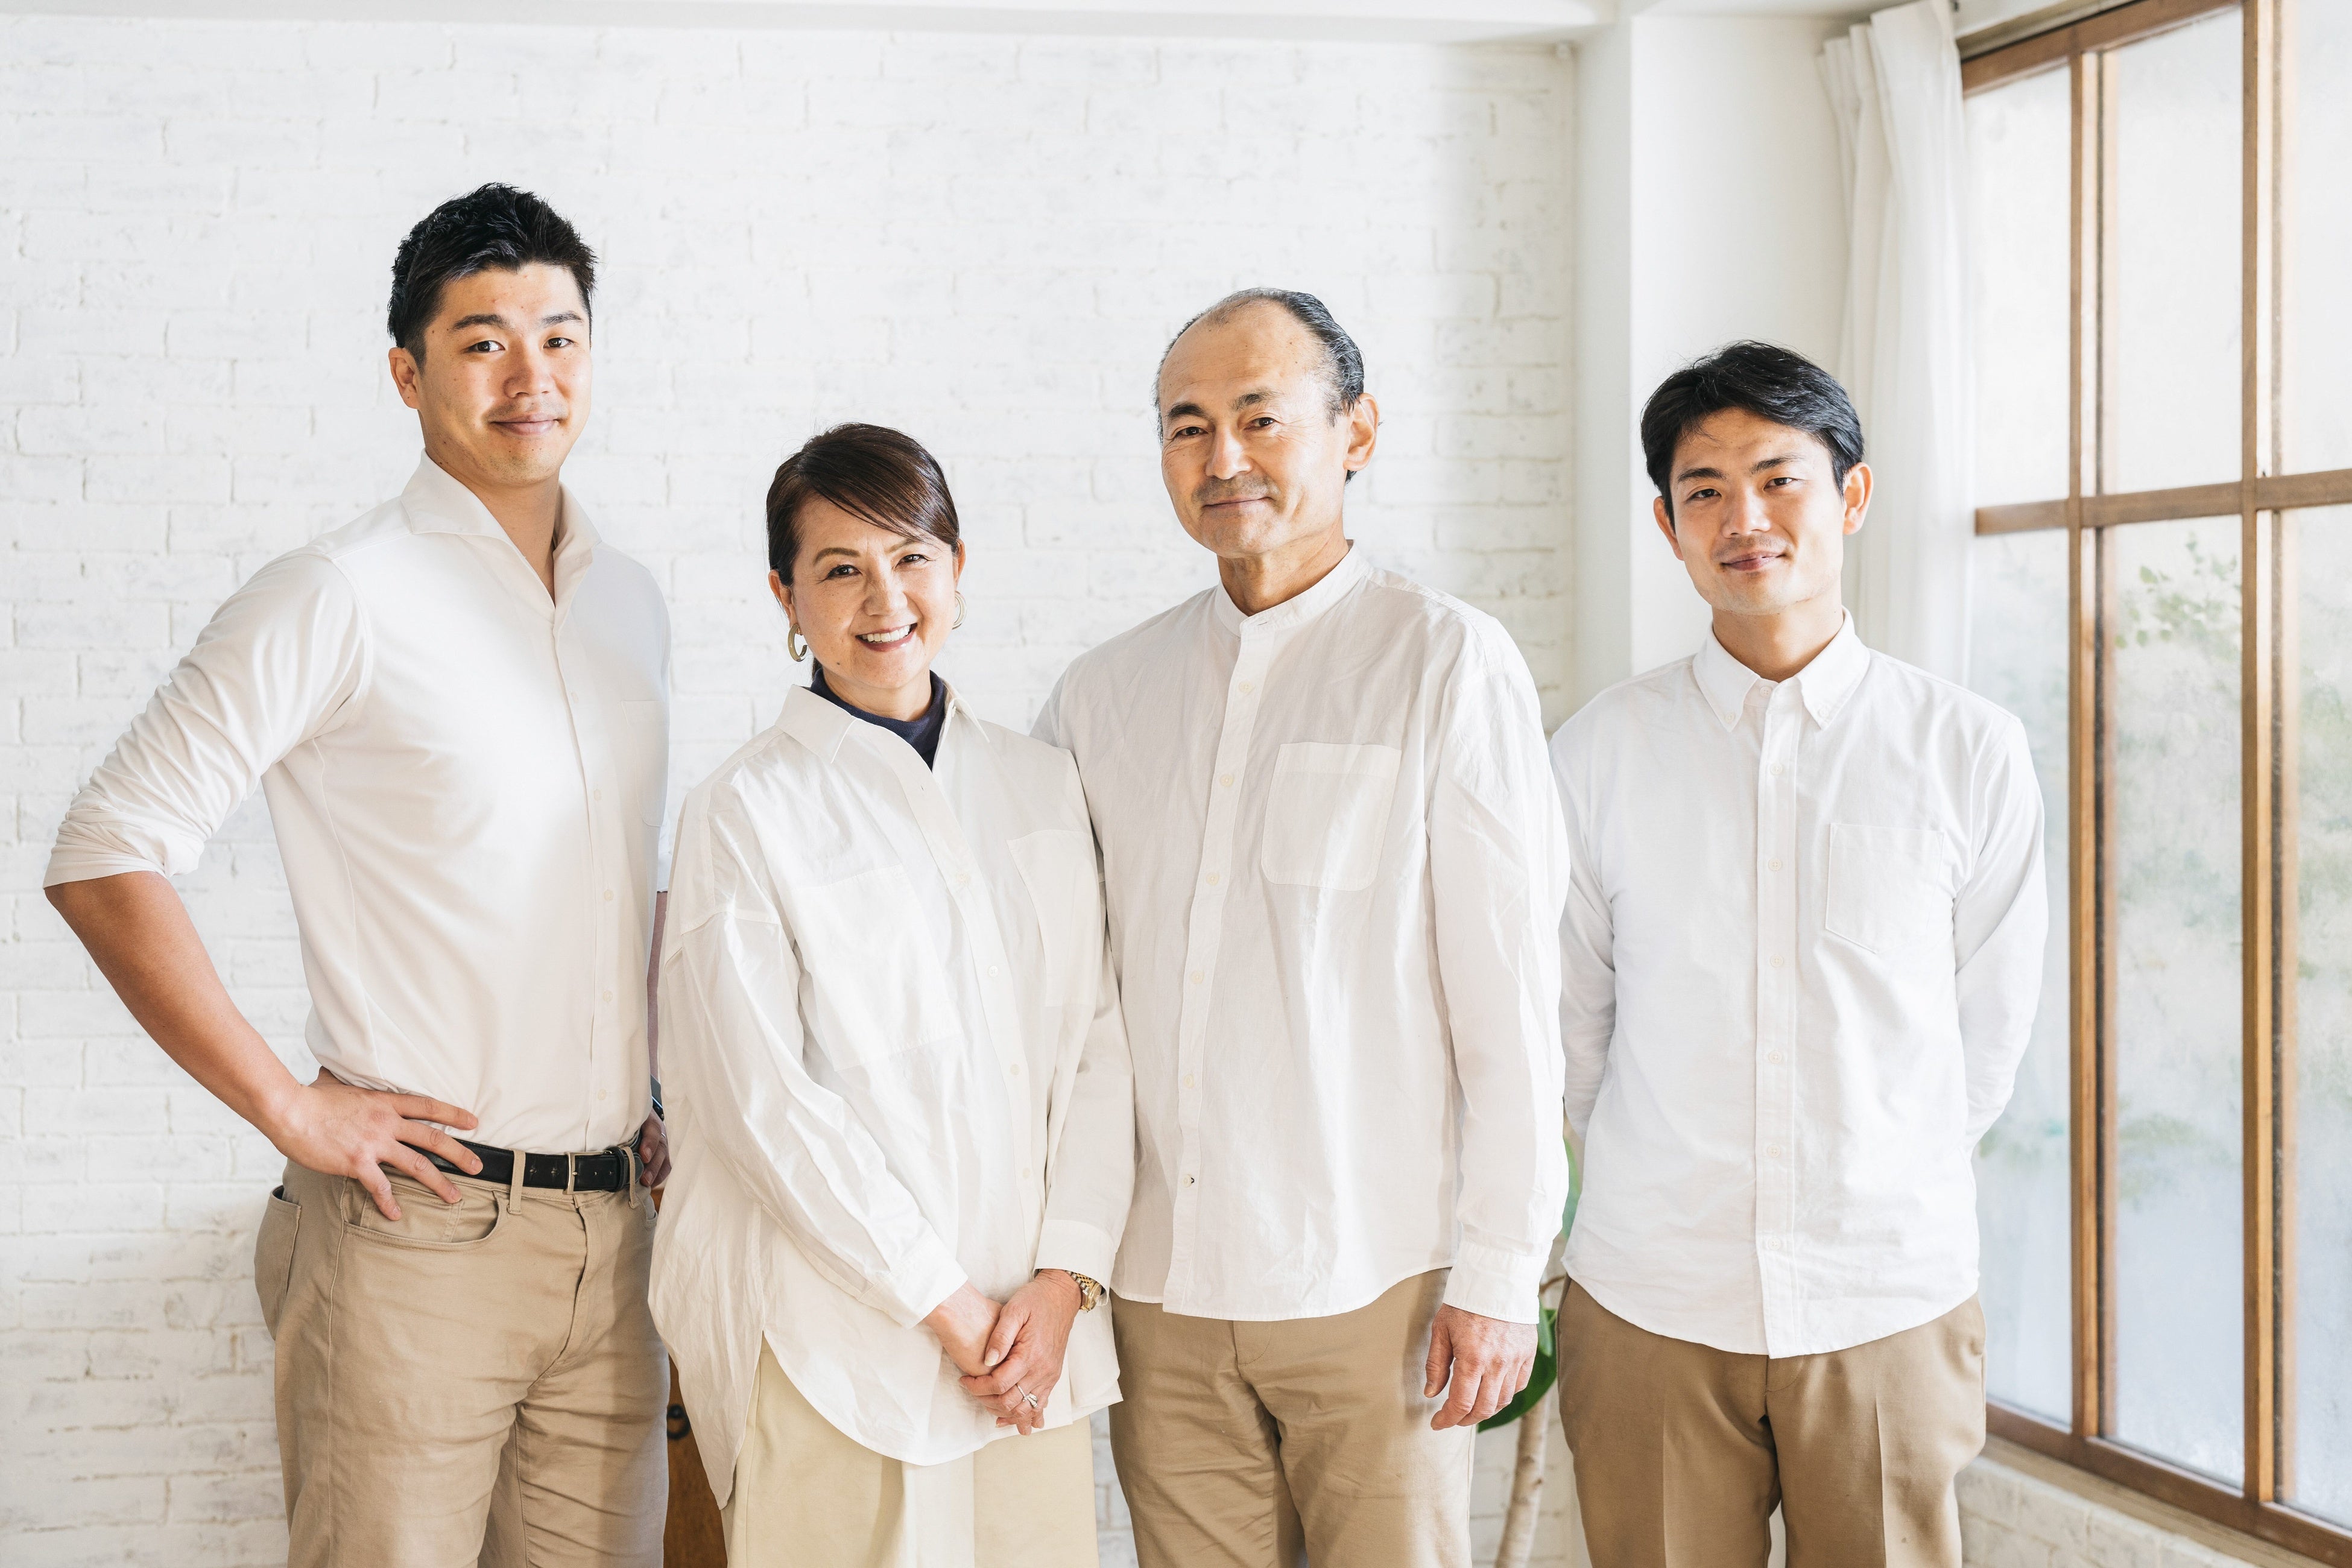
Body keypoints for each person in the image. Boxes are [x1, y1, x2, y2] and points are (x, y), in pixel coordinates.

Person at [42, 184, 672, 1568]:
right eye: (483, 342)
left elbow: (631, 881)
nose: (531, 376)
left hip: (616, 1243)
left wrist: (670, 1089)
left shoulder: (630, 600)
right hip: (416, 1235)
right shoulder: (340, 591)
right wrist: (288, 1104)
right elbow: (105, 848)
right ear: (407, 373)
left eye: (560, 338)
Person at [1033, 289, 1570, 1567]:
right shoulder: (1102, 695)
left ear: (1356, 432)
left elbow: (1511, 1002)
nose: (1223, 457)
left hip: (1373, 1283)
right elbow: (1057, 996)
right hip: (1161, 1288)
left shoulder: (1448, 663)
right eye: (1188, 426)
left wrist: (1502, 1276)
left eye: (1260, 417)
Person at [1550, 341, 2047, 1567]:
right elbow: (1571, 1027)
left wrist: (1874, 1175)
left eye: (1780, 479)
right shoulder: (1599, 753)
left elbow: (1984, 1041)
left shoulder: (1967, 749)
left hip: (1886, 1299)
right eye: (1705, 490)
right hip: (1654, 1297)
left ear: (1852, 496)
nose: (1745, 519)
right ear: (1668, 525)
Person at [650, 423, 1134, 1568]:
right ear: (786, 596)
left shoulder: (1042, 785)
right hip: (839, 1348)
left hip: (1032, 1352)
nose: (885, 599)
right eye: (840, 569)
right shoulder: (746, 811)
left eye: (912, 557)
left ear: (957, 568)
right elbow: (766, 1106)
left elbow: (1100, 1047)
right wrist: (948, 1308)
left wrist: (1063, 1283)